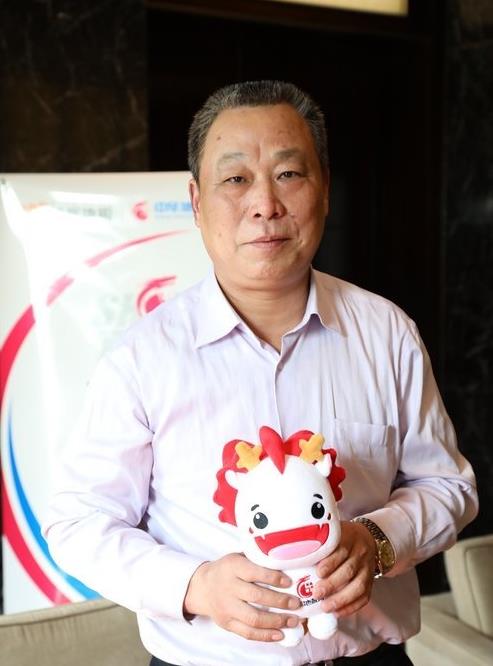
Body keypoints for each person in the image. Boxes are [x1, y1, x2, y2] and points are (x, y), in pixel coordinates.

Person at [44, 80, 478, 666]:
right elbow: (78, 521)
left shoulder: (387, 333)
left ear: (325, 189)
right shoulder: (143, 358)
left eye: (289, 174)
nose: (265, 205)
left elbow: (449, 487)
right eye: (235, 179)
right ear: (196, 202)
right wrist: (196, 585)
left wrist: (378, 540)